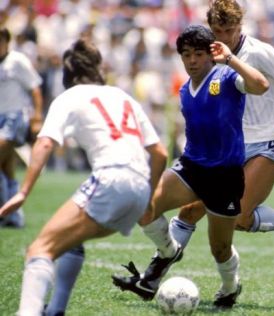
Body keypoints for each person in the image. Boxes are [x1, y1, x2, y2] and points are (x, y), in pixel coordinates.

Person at [112, 0, 274, 302]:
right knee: (189, 210)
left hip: (267, 141)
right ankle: (152, 278)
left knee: (241, 219)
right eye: (217, 30)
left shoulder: (257, 53)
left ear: (239, 27)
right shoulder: (207, 55)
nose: (223, 37)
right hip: (229, 146)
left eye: (228, 30)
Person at [0, 38, 167, 316]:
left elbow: (43, 144)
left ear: (68, 74)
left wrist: (23, 192)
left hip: (111, 180)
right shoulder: (123, 96)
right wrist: (148, 198)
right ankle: (55, 310)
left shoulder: (69, 96)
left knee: (40, 249)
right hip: (138, 187)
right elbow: (160, 153)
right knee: (71, 240)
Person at [0, 27, 43, 228]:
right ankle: (13, 217)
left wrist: (36, 116)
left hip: (14, 117)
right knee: (6, 168)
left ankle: (7, 213)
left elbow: (35, 88)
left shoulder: (17, 61)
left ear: (7, 42)